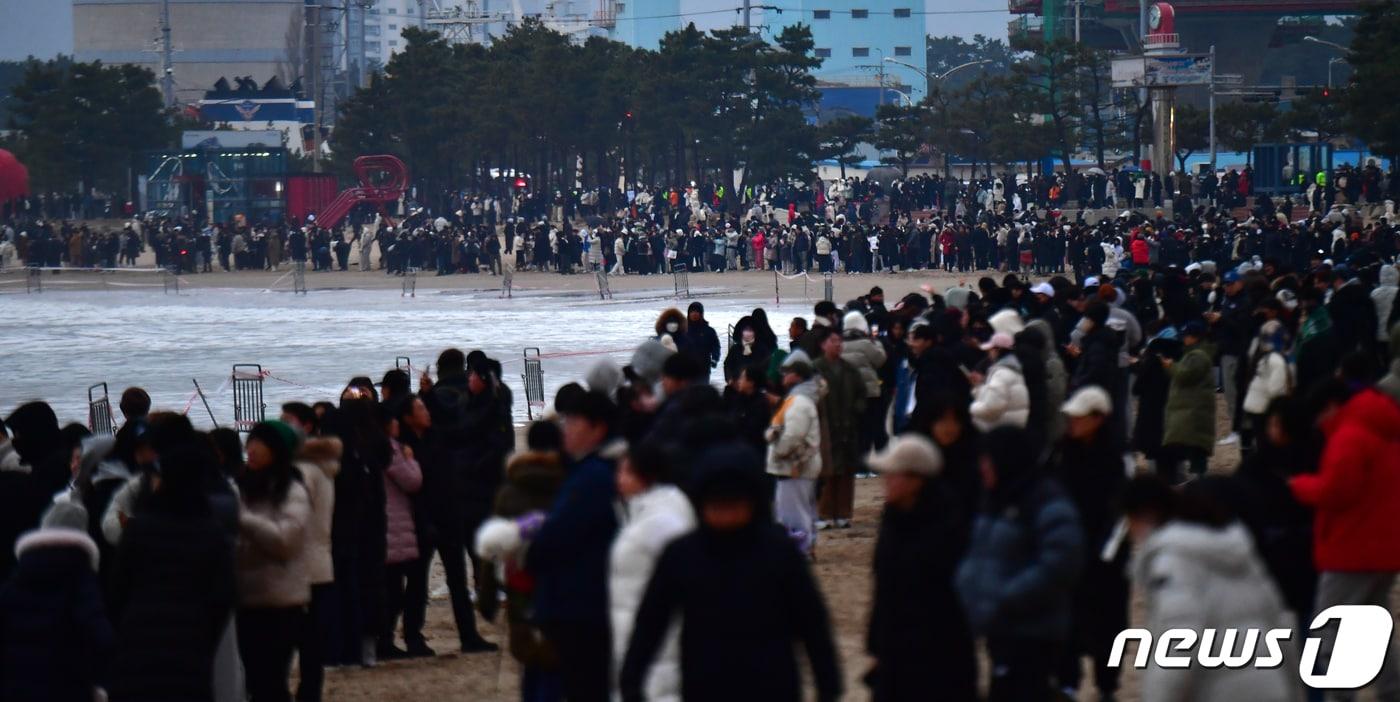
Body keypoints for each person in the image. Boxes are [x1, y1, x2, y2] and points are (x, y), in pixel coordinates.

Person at [619, 444, 842, 702]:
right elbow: (651, 622)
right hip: (705, 686)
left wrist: (828, 686)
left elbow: (813, 624)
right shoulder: (682, 555)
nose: (725, 514)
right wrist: (632, 680)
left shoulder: (778, 553)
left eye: (732, 504)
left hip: (771, 687)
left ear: (752, 502)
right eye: (717, 505)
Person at [1120, 476, 1298, 701]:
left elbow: (1177, 648)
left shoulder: (1173, 563)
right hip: (1270, 687)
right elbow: (1281, 624)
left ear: (1144, 515)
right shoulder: (1239, 552)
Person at [1289, 383, 1400, 701]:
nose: (1318, 424)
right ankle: (1391, 691)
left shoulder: (1350, 436)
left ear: (1332, 405)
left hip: (1352, 550)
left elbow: (1336, 491)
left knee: (1328, 633)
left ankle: (1341, 696)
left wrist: (1299, 486)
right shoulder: (1380, 427)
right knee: (1376, 633)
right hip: (1383, 549)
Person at [956, 425, 1083, 702]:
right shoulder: (995, 498)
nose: (983, 467)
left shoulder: (1045, 498)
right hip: (1000, 627)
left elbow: (1061, 561)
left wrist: (1007, 596)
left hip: (1033, 629)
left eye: (987, 460)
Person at [105, 441, 236, 702]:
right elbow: (223, 595)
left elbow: (117, 586)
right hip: (192, 640)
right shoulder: (213, 533)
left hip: (137, 638)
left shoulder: (139, 527)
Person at [525, 390, 623, 702]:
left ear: (597, 428)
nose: (566, 428)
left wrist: (530, 549)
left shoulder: (592, 477)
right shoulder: (585, 471)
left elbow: (557, 537)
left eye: (574, 422)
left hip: (579, 604)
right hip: (576, 601)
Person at [865, 434, 976, 702]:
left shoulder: (949, 527)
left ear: (916, 480)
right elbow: (884, 588)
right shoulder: (892, 519)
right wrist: (876, 645)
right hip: (895, 650)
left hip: (940, 655)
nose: (885, 480)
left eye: (893, 474)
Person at [1046, 387, 1129, 701]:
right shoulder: (1059, 453)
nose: (1073, 421)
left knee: (1108, 626)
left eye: (1081, 416)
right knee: (1065, 624)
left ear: (1099, 419)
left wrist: (1104, 554)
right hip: (1066, 556)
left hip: (1105, 562)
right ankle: (1066, 683)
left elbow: (1122, 513)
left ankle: (1107, 685)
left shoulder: (1116, 458)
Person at [608, 442, 695, 702]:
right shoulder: (652, 510)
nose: (619, 479)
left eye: (626, 472)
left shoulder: (661, 521)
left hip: (656, 644)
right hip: (642, 635)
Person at [0, 501, 113, 702]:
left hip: (16, 686)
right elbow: (99, 634)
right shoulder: (82, 579)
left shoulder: (18, 577)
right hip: (66, 687)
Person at [236, 421, 312, 702]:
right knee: (255, 681)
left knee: (271, 682)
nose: (251, 449)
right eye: (250, 442)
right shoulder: (241, 486)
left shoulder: (292, 490)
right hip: (245, 600)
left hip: (282, 602)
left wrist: (242, 521)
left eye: (260, 444)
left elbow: (285, 542)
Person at [280, 403, 340, 702]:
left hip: (300, 565)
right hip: (319, 562)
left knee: (293, 641)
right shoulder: (320, 467)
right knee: (311, 643)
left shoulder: (301, 471)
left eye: (287, 421)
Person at [377, 402, 423, 659]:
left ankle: (385, 638)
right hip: (395, 524)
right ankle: (387, 640)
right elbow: (413, 480)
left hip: (386, 523)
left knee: (390, 587)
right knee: (395, 589)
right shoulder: (392, 449)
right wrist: (410, 459)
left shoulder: (372, 447)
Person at [767, 350, 823, 556]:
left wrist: (777, 451)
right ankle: (806, 546)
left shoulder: (798, 401)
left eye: (786, 373)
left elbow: (793, 435)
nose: (782, 376)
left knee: (793, 512)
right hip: (801, 464)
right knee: (804, 509)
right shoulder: (802, 398)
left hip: (793, 465)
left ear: (797, 375)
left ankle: (800, 551)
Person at [814, 326, 865, 529]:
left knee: (846, 472)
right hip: (824, 427)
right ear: (823, 344)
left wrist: (857, 409)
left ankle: (844, 513)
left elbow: (862, 392)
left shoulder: (849, 368)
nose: (838, 345)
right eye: (833, 341)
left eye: (839, 341)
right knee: (826, 472)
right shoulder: (815, 368)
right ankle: (823, 513)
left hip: (847, 426)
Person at [1162, 321, 1217, 481]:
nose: (1184, 339)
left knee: (1195, 449)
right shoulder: (1193, 354)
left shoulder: (1198, 356)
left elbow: (1184, 375)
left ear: (1195, 337)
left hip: (1194, 411)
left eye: (1186, 336)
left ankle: (1197, 480)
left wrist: (1171, 366)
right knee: (1192, 448)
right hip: (1191, 410)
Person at [970, 332, 1030, 431]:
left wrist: (972, 408)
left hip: (1000, 433)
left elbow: (991, 409)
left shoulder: (1001, 374)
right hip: (1011, 430)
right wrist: (979, 386)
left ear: (998, 350)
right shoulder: (1014, 370)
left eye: (990, 349)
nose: (988, 353)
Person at [682, 301, 721, 379]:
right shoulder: (683, 330)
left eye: (697, 311)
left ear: (701, 314)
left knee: (702, 390)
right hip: (686, 370)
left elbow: (716, 346)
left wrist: (715, 359)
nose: (694, 314)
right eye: (692, 311)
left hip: (703, 369)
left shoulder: (709, 331)